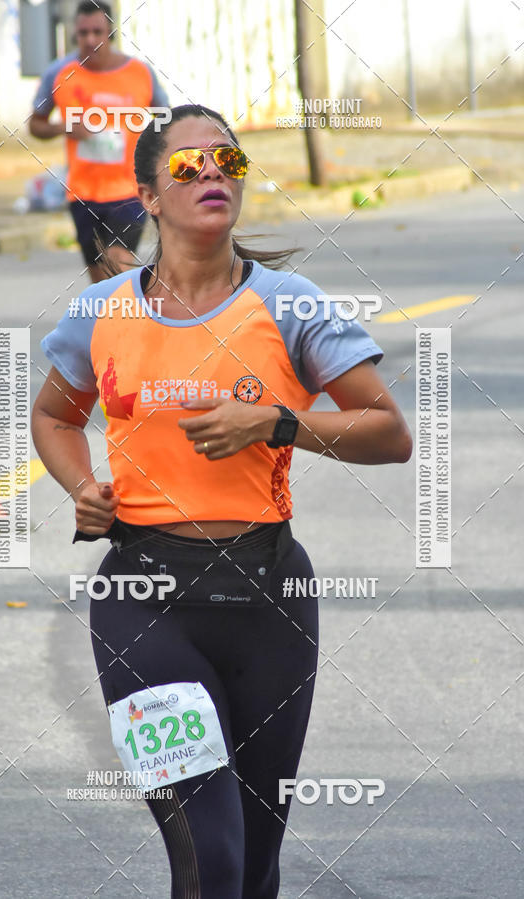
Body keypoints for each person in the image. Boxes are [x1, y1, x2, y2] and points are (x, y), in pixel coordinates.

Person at [32, 104, 412, 898]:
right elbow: (55, 414)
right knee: (212, 855)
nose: (212, 175)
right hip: (144, 600)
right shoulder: (102, 310)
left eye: (229, 163)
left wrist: (278, 421)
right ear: (148, 196)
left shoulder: (290, 303)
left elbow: (388, 433)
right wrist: (81, 487)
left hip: (272, 597)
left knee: (256, 864)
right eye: (188, 166)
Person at [29, 0, 169, 282]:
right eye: (83, 33)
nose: (90, 39)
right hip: (82, 193)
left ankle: (135, 321)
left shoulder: (139, 73)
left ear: (110, 33)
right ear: (74, 35)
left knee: (118, 267)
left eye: (97, 31)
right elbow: (36, 124)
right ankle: (112, 324)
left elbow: (166, 119)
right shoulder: (58, 73)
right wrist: (63, 126)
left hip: (129, 190)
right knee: (100, 281)